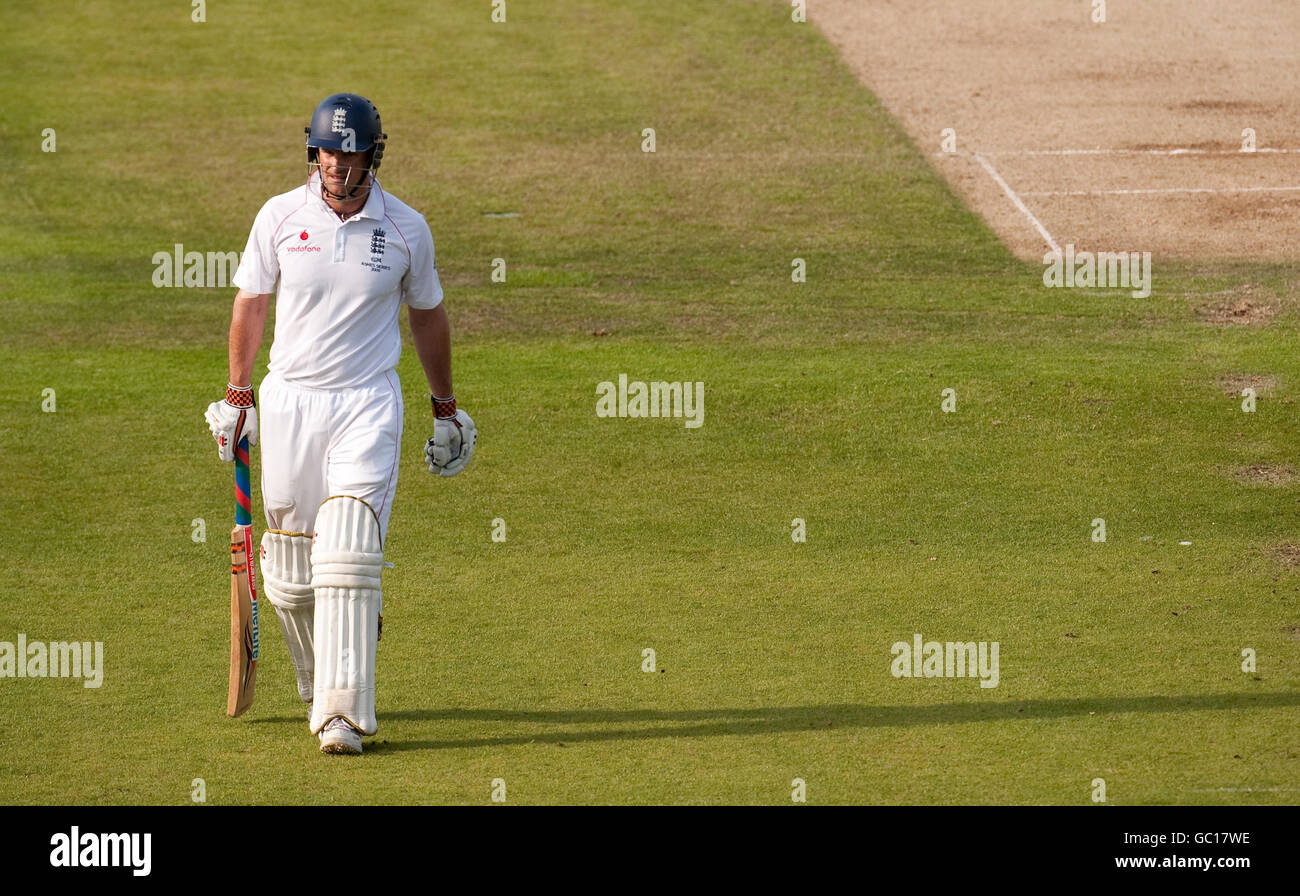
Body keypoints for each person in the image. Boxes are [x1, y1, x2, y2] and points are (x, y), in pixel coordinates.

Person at [205, 93, 475, 755]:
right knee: (293, 576)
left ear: (371, 156)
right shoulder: (279, 217)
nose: (335, 165)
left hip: (366, 401)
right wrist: (239, 398)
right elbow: (251, 304)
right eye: (327, 151)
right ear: (313, 151)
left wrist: (446, 407)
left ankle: (344, 716)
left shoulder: (407, 228)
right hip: (291, 400)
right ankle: (318, 682)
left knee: (348, 547)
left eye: (348, 153)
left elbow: (428, 316)